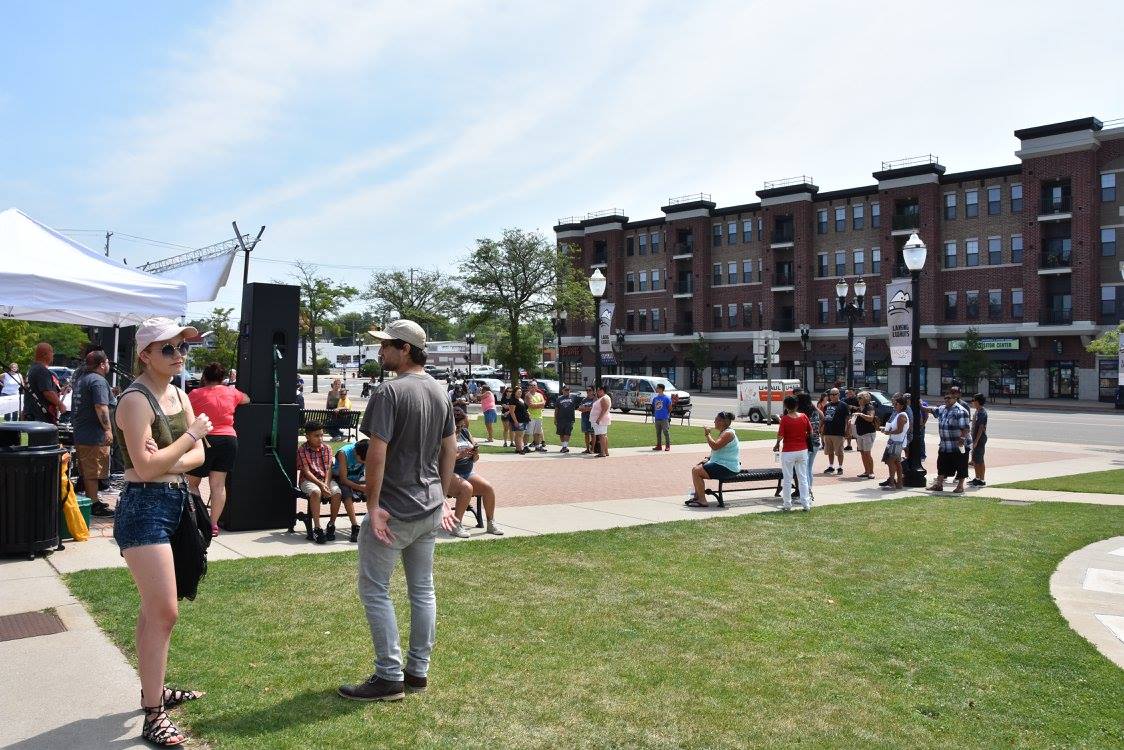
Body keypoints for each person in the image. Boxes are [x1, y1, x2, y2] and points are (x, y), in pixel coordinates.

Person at [338, 318, 458, 702]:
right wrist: (441, 496)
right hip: (428, 507)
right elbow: (450, 448)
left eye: (387, 344)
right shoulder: (440, 392)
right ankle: (417, 672)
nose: (380, 350)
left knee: (375, 590)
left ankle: (389, 675)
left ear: (405, 348)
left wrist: (371, 506)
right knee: (423, 590)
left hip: (392, 510)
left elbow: (377, 452)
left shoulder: (388, 393)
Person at [111, 318, 213, 747]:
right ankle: (154, 712)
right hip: (143, 510)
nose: (179, 355)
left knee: (154, 609)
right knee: (164, 611)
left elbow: (201, 456)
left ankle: (153, 691)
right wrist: (189, 436)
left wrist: (167, 460)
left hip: (174, 504)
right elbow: (149, 465)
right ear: (145, 355)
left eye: (182, 348)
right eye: (167, 348)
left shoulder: (178, 394)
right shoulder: (135, 400)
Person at [185, 363, 250, 536]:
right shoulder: (231, 392)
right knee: (218, 485)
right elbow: (247, 399)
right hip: (229, 439)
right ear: (222, 378)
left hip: (205, 439)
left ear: (204, 377)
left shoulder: (195, 394)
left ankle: (199, 519)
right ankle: (213, 524)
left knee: (192, 483)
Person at [71, 351, 116, 517]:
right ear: (102, 364)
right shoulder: (98, 381)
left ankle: (92, 499)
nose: (109, 365)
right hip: (93, 435)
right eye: (107, 362)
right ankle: (93, 504)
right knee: (93, 471)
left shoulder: (82, 379)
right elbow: (100, 407)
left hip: (83, 432)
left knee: (89, 470)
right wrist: (108, 429)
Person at [447, 409, 504, 538]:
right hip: (448, 473)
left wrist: (474, 454)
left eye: (462, 425)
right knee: (466, 488)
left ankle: (491, 523)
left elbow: (476, 458)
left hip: (467, 472)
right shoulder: (444, 435)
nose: (460, 428)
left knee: (488, 488)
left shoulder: (465, 433)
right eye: (458, 426)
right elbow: (440, 459)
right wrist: (459, 455)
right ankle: (456, 525)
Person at [297, 421, 341, 544]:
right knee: (315, 492)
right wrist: (321, 485)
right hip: (308, 480)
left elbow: (328, 469)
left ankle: (331, 524)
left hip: (325, 479)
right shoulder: (302, 450)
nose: (320, 438)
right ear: (307, 437)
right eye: (316, 436)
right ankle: (317, 528)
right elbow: (306, 471)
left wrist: (325, 484)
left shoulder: (327, 448)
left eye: (322, 435)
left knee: (337, 492)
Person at [685, 411, 741, 507]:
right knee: (697, 468)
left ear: (722, 422)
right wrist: (708, 458)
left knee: (696, 471)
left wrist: (707, 434)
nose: (714, 421)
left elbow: (715, 446)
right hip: (724, 465)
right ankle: (697, 497)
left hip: (727, 468)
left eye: (716, 419)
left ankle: (702, 501)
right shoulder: (725, 432)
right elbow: (720, 451)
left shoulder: (728, 434)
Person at [927, 391, 971, 493]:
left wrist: (962, 439)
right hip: (945, 445)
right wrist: (920, 405)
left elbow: (965, 428)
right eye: (945, 398)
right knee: (941, 464)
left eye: (949, 398)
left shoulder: (961, 411)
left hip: (958, 445)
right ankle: (939, 484)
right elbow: (932, 410)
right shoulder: (942, 408)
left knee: (961, 465)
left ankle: (960, 486)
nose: (946, 400)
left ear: (955, 398)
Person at [773, 395, 812, 511]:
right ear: (797, 405)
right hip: (802, 449)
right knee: (803, 477)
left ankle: (787, 504)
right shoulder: (803, 416)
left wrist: (776, 444)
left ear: (786, 406)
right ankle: (806, 503)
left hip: (789, 450)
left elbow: (780, 435)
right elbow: (810, 431)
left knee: (787, 478)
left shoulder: (785, 419)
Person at [333, 439, 367, 543]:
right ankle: (355, 526)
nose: (365, 463)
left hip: (357, 479)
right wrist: (362, 488)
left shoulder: (369, 451)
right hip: (341, 480)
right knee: (347, 494)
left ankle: (374, 523)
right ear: (356, 454)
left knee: (374, 492)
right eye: (363, 461)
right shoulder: (344, 453)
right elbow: (343, 479)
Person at [23, 342, 66, 424]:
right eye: (51, 352)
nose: (53, 355)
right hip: (41, 416)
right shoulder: (41, 370)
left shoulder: (33, 369)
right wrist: (60, 405)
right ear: (45, 354)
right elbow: (48, 393)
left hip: (33, 414)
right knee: (44, 437)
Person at [880, 395, 910, 490]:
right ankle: (899, 483)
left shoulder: (902, 415)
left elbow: (900, 430)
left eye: (896, 404)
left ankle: (892, 483)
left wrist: (888, 432)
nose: (894, 405)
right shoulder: (898, 414)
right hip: (895, 441)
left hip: (896, 442)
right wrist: (887, 429)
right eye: (894, 404)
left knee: (890, 462)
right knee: (897, 462)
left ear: (901, 405)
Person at [796, 391, 822, 502]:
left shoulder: (802, 414)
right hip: (815, 441)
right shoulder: (814, 411)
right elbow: (822, 418)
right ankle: (809, 491)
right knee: (809, 468)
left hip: (806, 443)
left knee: (804, 469)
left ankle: (806, 493)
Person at [852, 391, 880, 479]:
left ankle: (871, 472)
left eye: (860, 398)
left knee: (867, 453)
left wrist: (860, 414)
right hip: (860, 433)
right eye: (858, 398)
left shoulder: (869, 407)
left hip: (868, 433)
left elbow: (870, 418)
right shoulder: (861, 407)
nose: (858, 399)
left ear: (865, 398)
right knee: (862, 453)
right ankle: (866, 471)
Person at [820, 388, 848, 474]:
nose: (832, 396)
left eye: (835, 394)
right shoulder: (827, 406)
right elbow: (823, 418)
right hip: (828, 431)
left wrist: (846, 430)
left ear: (839, 394)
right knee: (829, 451)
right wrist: (820, 428)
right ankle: (831, 466)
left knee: (839, 451)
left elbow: (847, 419)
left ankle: (840, 467)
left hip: (838, 432)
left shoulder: (843, 405)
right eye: (831, 394)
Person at [969, 393, 989, 487]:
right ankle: (978, 478)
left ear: (977, 402)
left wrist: (976, 441)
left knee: (978, 460)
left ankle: (981, 479)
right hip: (976, 438)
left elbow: (981, 427)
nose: (972, 402)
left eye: (973, 400)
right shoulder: (977, 411)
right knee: (977, 459)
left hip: (979, 439)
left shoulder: (981, 412)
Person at [553, 384, 578, 453]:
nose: (567, 391)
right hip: (560, 418)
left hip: (570, 419)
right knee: (561, 433)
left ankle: (565, 447)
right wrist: (555, 419)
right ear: (562, 390)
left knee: (567, 433)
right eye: (565, 390)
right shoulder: (559, 398)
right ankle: (563, 446)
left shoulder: (573, 397)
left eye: (568, 390)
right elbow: (556, 409)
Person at [590, 383, 612, 457]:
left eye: (598, 390)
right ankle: (605, 451)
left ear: (602, 390)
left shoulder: (604, 398)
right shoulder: (602, 398)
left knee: (602, 435)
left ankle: (603, 452)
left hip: (601, 420)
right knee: (603, 435)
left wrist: (599, 419)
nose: (597, 392)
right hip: (601, 420)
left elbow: (604, 409)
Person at [525, 382, 548, 452]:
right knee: (528, 432)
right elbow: (530, 405)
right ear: (529, 387)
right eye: (531, 385)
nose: (533, 387)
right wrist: (540, 404)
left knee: (537, 432)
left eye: (534, 385)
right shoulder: (527, 395)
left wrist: (536, 405)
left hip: (539, 416)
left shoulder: (540, 395)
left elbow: (544, 404)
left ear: (537, 387)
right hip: (530, 416)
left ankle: (537, 446)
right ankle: (525, 446)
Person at [507, 386, 529, 454]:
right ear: (515, 393)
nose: (520, 393)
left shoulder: (521, 399)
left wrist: (527, 412)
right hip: (518, 420)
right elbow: (511, 412)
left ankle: (520, 447)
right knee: (518, 435)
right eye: (518, 392)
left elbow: (524, 408)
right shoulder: (513, 400)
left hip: (524, 419)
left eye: (521, 392)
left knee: (521, 435)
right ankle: (519, 449)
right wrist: (515, 421)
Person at [651, 382, 672, 451]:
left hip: (664, 418)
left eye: (657, 388)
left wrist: (667, 414)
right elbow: (654, 407)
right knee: (658, 433)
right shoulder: (655, 398)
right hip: (657, 418)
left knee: (666, 432)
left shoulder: (666, 398)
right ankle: (659, 446)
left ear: (661, 389)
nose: (656, 389)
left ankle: (667, 446)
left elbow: (670, 408)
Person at [578, 386, 595, 453]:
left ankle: (592, 449)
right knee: (586, 434)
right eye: (587, 390)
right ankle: (587, 449)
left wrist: (585, 408)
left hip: (592, 419)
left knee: (592, 434)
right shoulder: (584, 400)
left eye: (590, 390)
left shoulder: (595, 399)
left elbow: (593, 409)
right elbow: (579, 408)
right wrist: (587, 408)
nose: (588, 391)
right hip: (584, 418)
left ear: (593, 391)